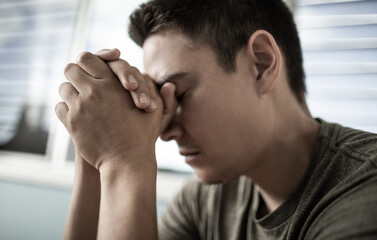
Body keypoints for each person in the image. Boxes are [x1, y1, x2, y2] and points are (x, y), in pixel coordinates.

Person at [56, 0, 377, 239]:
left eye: (178, 93)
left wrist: (125, 159)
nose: (165, 131)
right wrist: (95, 153)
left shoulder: (365, 188)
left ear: (261, 64)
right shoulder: (203, 203)